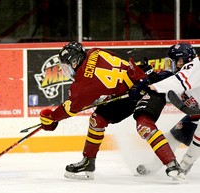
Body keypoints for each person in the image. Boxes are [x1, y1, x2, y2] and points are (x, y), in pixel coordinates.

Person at [39, 41, 185, 181]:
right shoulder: (95, 52)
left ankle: (173, 165)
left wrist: (52, 118)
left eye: (66, 67)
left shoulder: (82, 85)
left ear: (75, 61)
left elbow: (70, 109)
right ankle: (88, 162)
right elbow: (122, 64)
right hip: (130, 90)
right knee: (97, 119)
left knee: (144, 125)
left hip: (148, 88)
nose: (66, 72)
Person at [135, 42, 199, 176]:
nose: (173, 63)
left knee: (198, 138)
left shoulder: (195, 66)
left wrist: (151, 87)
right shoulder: (185, 71)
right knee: (173, 136)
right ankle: (154, 165)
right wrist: (150, 75)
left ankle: (185, 164)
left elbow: (178, 81)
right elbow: (169, 82)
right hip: (197, 113)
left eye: (174, 60)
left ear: (182, 60)